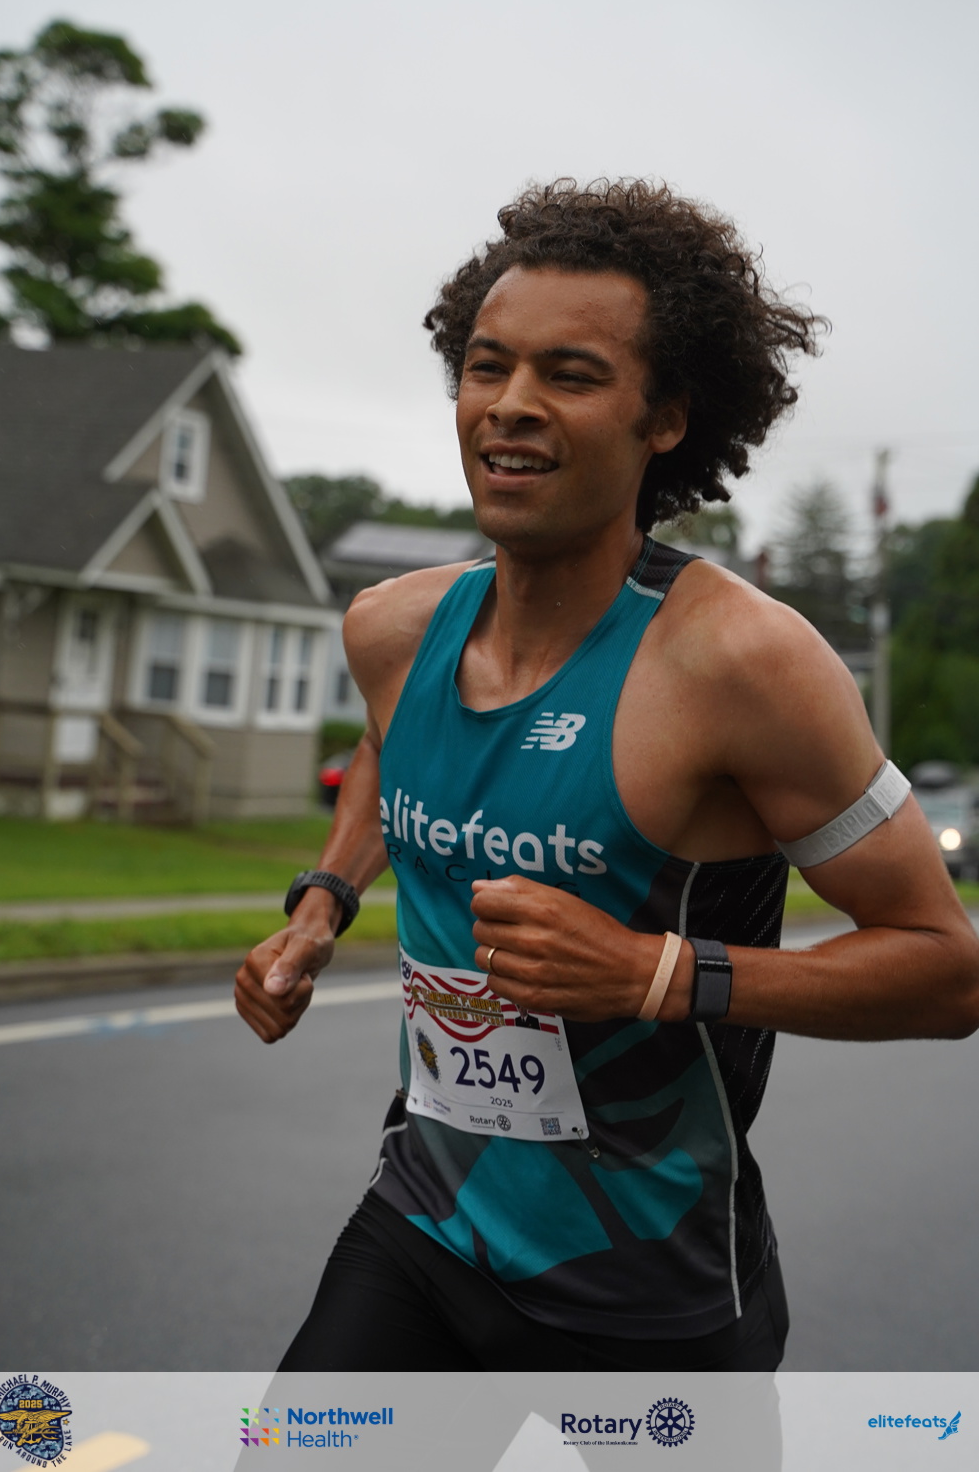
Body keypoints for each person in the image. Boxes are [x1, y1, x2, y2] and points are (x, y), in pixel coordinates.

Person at [235, 179, 979, 1372]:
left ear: (665, 418)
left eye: (570, 375)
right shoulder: (392, 631)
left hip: (654, 1292)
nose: (510, 405)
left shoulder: (739, 664)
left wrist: (654, 973)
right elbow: (389, 745)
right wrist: (323, 903)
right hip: (426, 1222)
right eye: (486, 367)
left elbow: (946, 972)